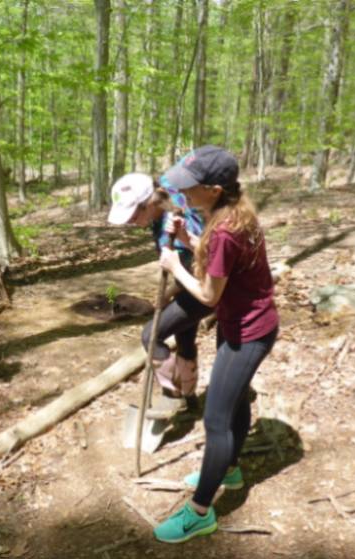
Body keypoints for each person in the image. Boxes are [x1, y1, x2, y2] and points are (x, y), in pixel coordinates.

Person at [152, 146, 279, 543]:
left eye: (189, 188)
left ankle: (200, 512)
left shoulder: (225, 228)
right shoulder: (230, 214)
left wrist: (174, 265)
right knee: (236, 403)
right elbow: (223, 265)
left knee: (217, 419)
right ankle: (230, 470)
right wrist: (189, 240)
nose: (182, 193)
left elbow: (208, 295)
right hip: (239, 322)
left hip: (249, 331)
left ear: (213, 188)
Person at [108, 172, 213, 413]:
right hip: (186, 284)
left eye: (134, 217)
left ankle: (172, 394)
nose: (131, 223)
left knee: (150, 337)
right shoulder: (162, 202)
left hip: (206, 288)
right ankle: (190, 400)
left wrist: (167, 293)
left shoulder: (179, 219)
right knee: (185, 339)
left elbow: (201, 266)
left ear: (149, 204)